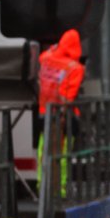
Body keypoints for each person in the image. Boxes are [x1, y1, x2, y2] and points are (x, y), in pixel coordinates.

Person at [37, 28, 85, 190]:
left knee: (43, 151)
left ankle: (42, 185)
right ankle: (60, 188)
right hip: (64, 118)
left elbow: (44, 56)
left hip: (44, 113)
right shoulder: (75, 68)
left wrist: (54, 48)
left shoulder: (46, 59)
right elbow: (69, 98)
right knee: (62, 154)